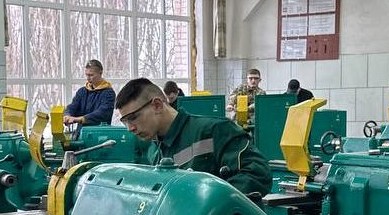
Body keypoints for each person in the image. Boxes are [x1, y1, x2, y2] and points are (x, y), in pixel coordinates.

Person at [116, 78, 273, 197]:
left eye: (133, 118)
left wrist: (207, 201)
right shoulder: (154, 150)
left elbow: (258, 175)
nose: (130, 128)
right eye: (125, 122)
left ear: (157, 105)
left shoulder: (214, 131)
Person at [64, 59, 115, 126]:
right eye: (87, 75)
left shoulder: (109, 93)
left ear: (100, 73)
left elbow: (103, 113)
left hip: (100, 133)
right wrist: (67, 115)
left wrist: (81, 119)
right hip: (82, 132)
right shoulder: (82, 91)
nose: (88, 78)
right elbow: (72, 106)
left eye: (91, 75)